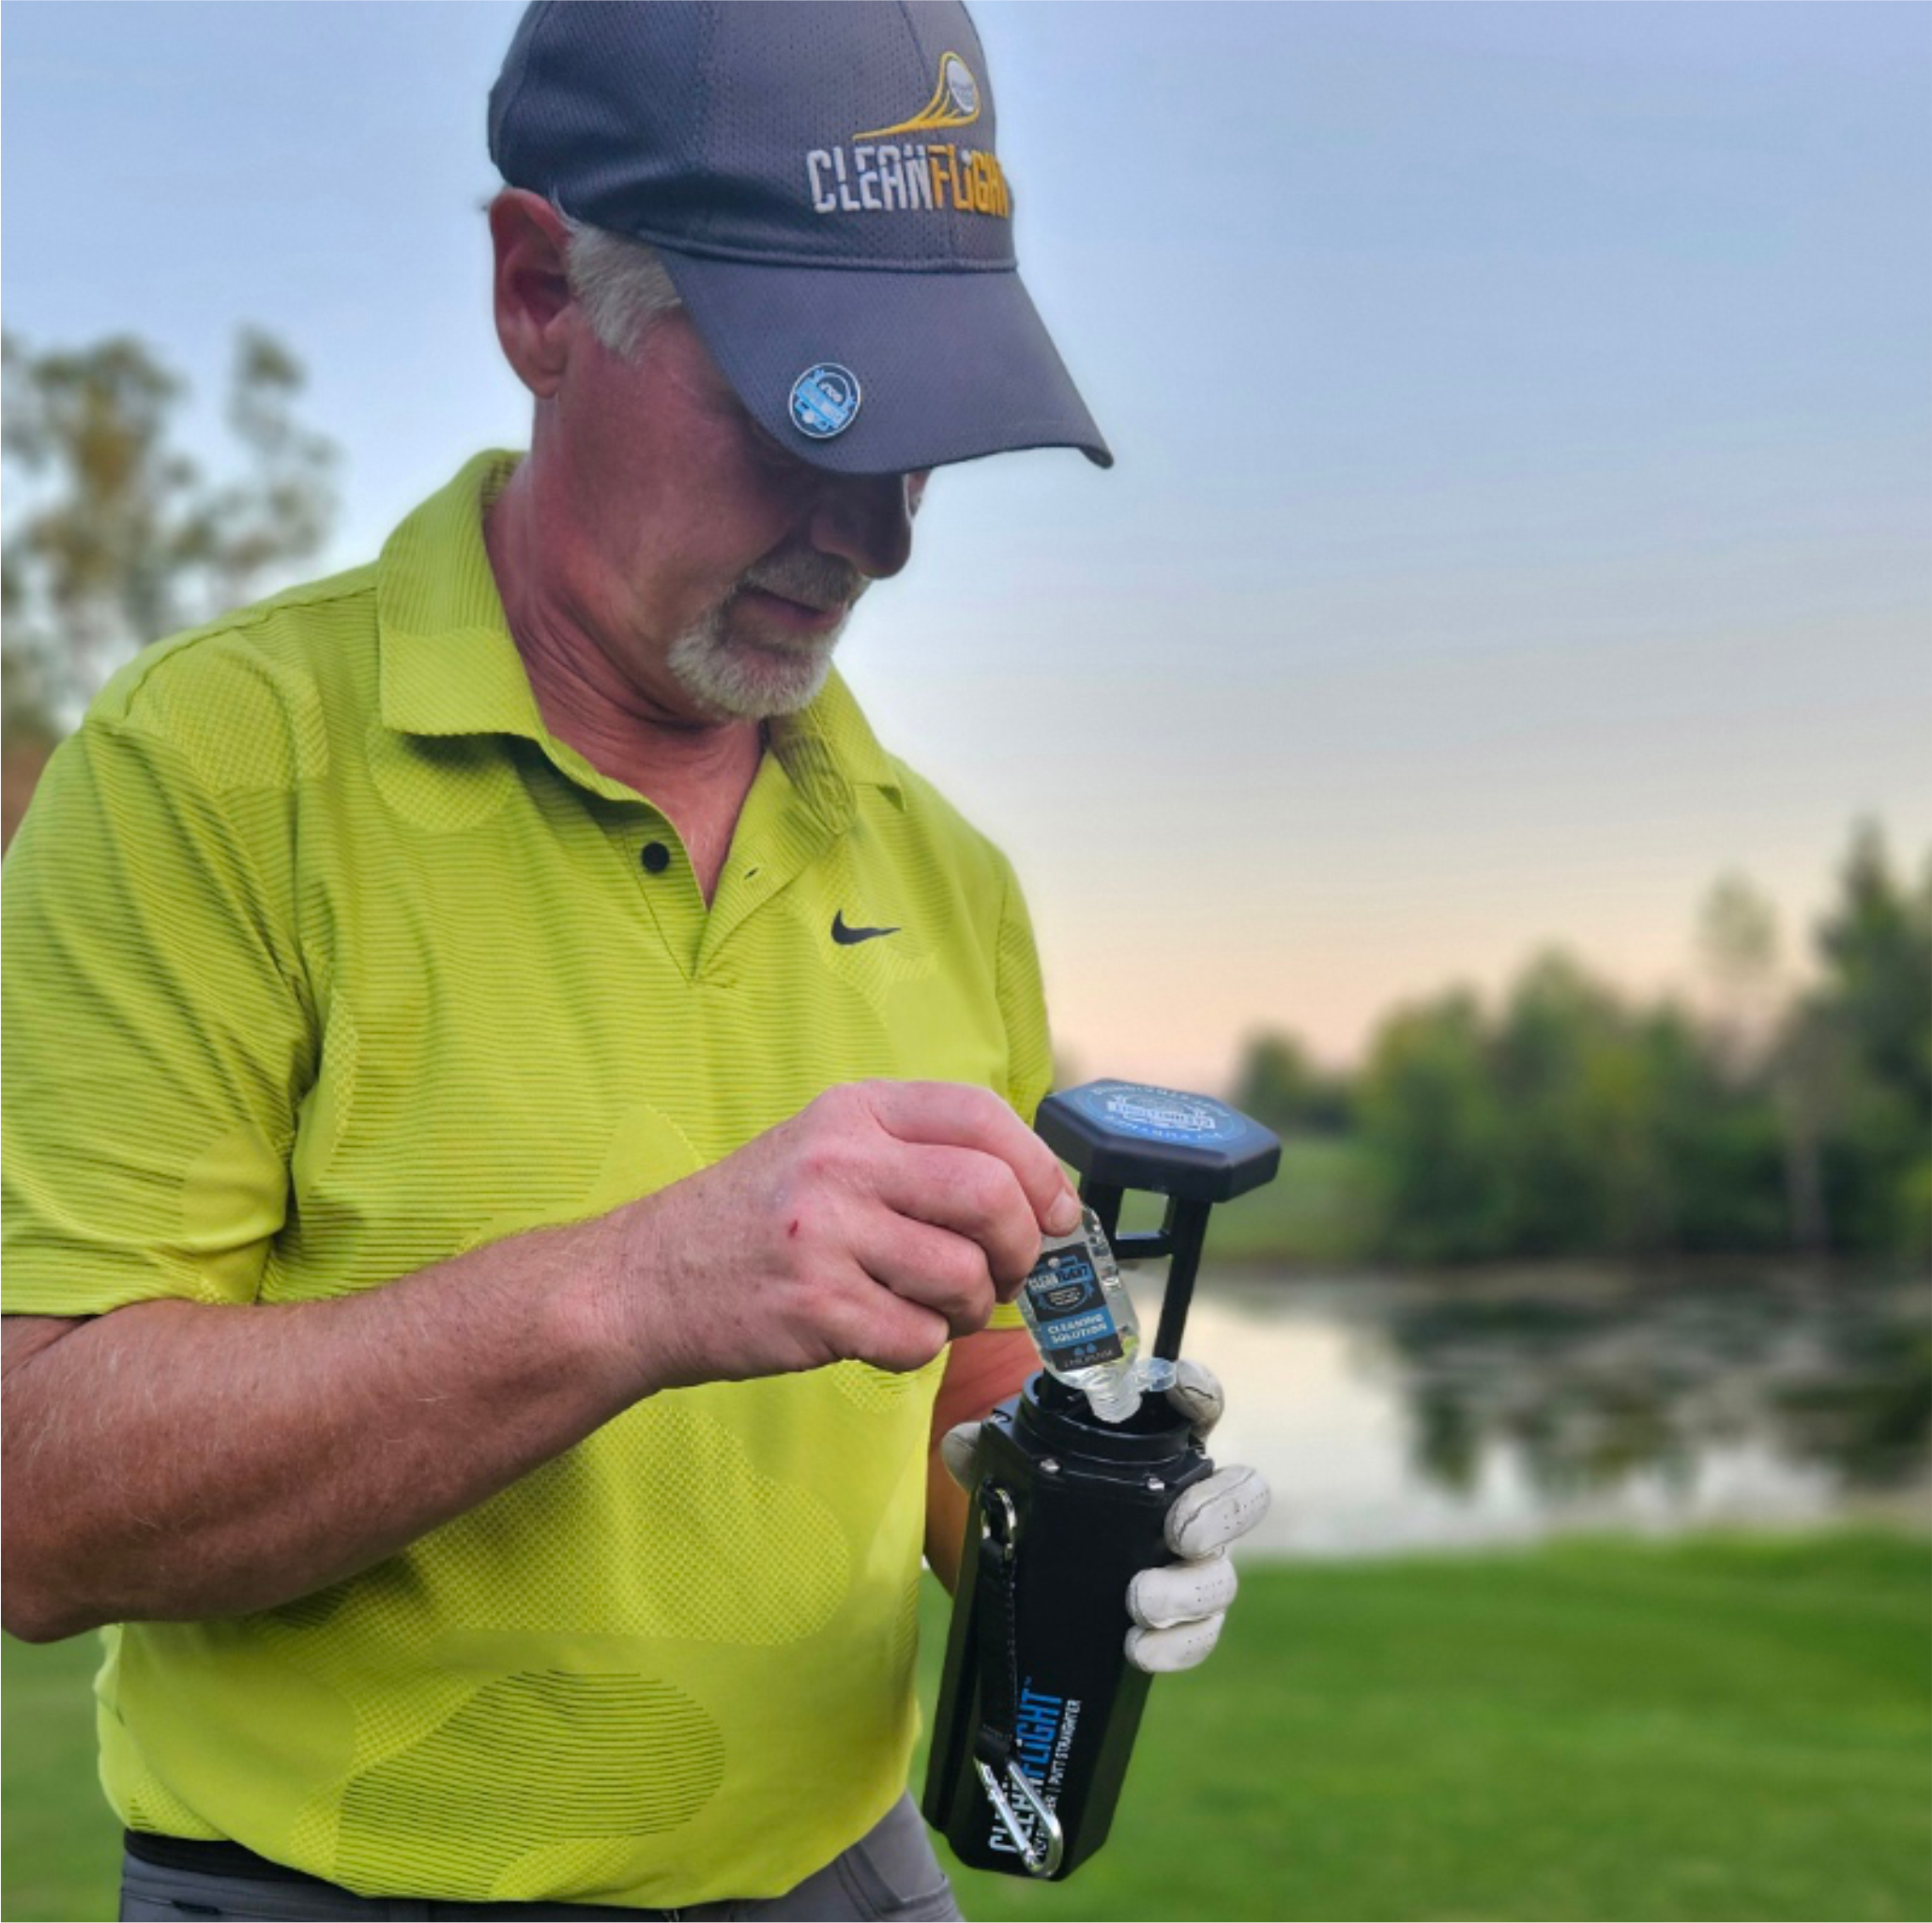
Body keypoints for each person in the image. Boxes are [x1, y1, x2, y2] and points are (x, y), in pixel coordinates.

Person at [0, 2, 1268, 1915]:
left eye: (916, 438)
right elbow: (35, 1498)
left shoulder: (950, 873)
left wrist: (1070, 1500)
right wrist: (638, 1286)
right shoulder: (208, 768)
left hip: (847, 1870)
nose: (875, 537)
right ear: (539, 292)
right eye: (804, 408)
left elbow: (973, 1365)